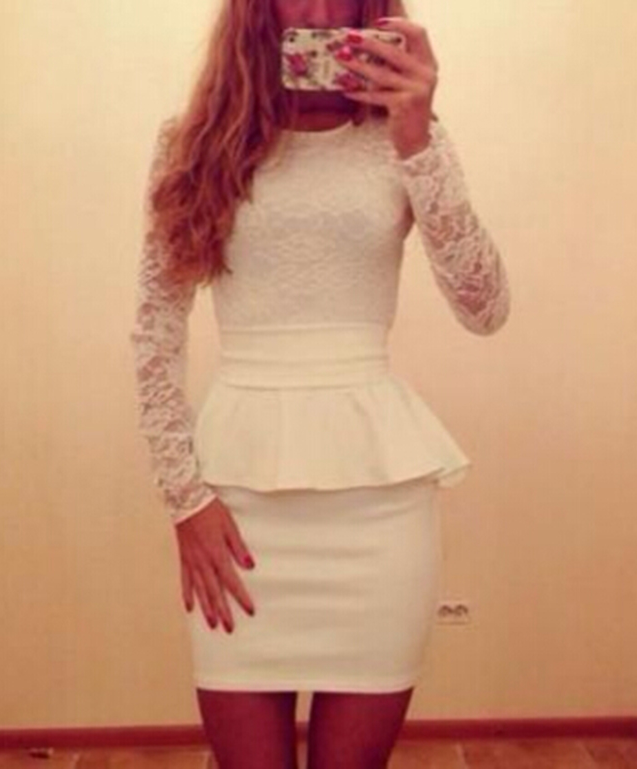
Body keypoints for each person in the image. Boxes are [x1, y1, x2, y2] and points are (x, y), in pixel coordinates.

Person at [129, 1, 510, 767]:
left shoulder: (408, 138)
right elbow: (155, 331)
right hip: (236, 504)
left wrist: (417, 138)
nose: (317, 7)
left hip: (379, 511)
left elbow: (485, 306)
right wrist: (185, 500)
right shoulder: (193, 141)